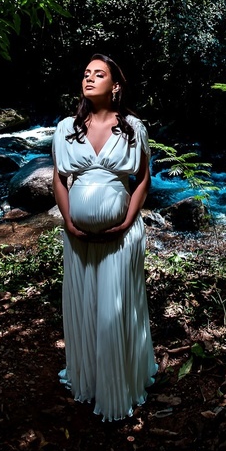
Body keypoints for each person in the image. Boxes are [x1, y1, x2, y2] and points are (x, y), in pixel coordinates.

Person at [51, 53, 157, 421]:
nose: (90, 78)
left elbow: (142, 178)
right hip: (78, 240)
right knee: (85, 308)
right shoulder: (67, 127)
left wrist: (127, 221)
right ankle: (92, 381)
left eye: (99, 74)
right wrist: (69, 221)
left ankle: (120, 387)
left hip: (121, 239)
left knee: (115, 311)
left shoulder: (133, 127)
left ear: (115, 86)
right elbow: (59, 179)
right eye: (86, 73)